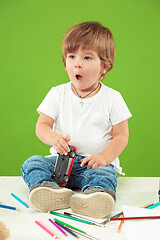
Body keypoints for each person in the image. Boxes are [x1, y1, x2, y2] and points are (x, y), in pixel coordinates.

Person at [21, 21, 132, 218]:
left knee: (104, 175)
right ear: (65, 62)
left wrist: (104, 158)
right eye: (72, 57)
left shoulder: (112, 98)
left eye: (87, 57)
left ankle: (95, 195)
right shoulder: (57, 93)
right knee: (32, 163)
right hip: (61, 163)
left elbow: (121, 135)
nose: (77, 63)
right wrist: (53, 138)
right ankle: (48, 189)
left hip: (93, 164)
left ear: (104, 67)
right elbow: (42, 126)